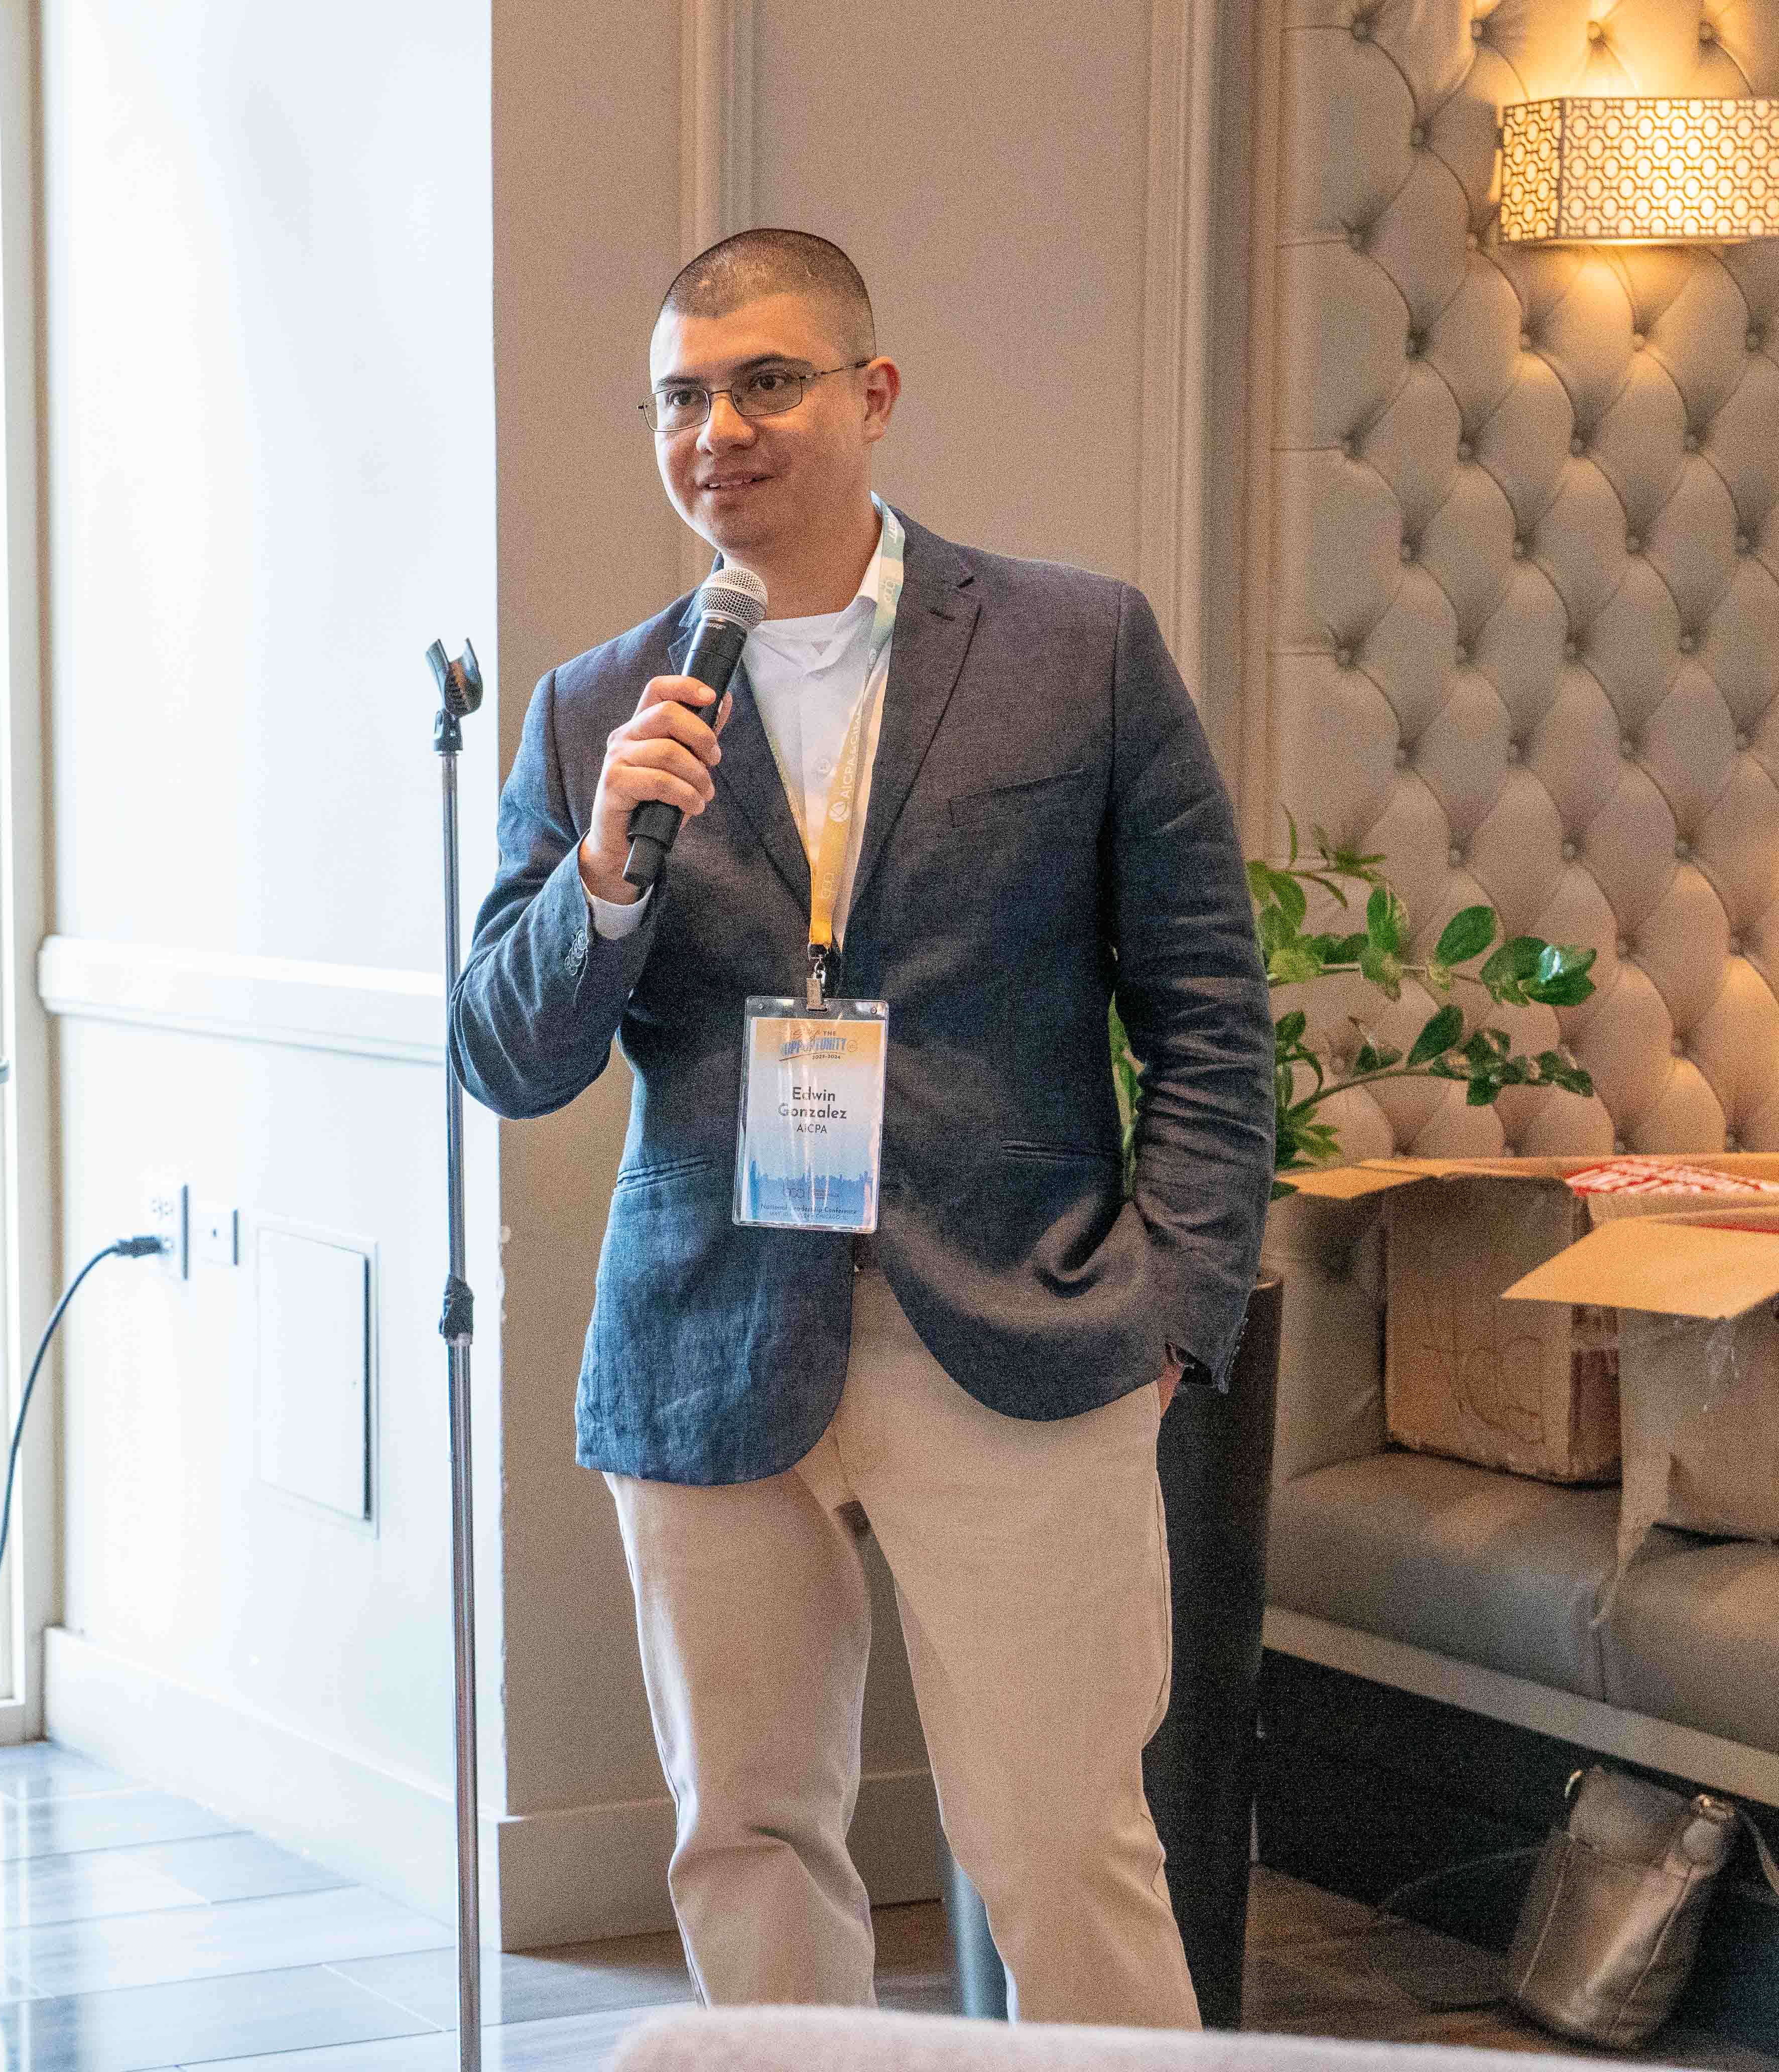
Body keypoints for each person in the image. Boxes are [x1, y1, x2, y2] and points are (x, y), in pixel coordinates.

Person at [450, 230, 1273, 2025]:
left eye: (767, 382)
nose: (718, 432)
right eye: (681, 397)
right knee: (745, 1843)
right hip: (708, 1345)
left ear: (873, 394)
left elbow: (1212, 1013)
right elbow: (504, 1056)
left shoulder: (1079, 648)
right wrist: (603, 878)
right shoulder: (599, 707)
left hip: (1024, 1330)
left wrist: (1173, 1311)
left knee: (1064, 1851)